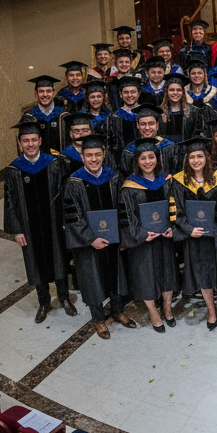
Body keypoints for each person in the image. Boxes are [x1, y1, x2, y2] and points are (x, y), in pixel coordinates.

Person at [61, 135, 134, 339]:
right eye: (89, 155)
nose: (94, 159)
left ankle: (118, 310)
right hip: (89, 243)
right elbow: (72, 216)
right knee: (92, 280)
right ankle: (99, 318)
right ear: (82, 157)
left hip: (113, 240)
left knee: (116, 275)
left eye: (97, 154)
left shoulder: (114, 177)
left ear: (104, 155)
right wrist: (91, 239)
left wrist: (120, 234)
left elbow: (122, 207)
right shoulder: (74, 183)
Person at [5, 121, 75, 322]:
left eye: (33, 140)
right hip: (29, 227)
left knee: (59, 259)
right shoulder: (13, 170)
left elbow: (64, 195)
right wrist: (17, 230)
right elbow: (10, 203)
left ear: (40, 141)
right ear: (19, 143)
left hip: (53, 224)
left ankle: (64, 298)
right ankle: (44, 301)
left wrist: (65, 222)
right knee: (35, 263)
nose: (30, 144)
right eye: (25, 140)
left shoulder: (53, 164)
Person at [169, 139, 217, 331]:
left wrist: (216, 228)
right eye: (192, 157)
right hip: (195, 238)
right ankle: (211, 310)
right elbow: (176, 211)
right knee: (202, 274)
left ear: (206, 157)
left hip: (216, 237)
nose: (196, 160)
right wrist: (189, 230)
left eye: (200, 156)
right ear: (187, 159)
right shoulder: (180, 182)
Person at [118, 141, 177, 331]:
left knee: (168, 272)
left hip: (165, 237)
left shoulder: (167, 180)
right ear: (137, 160)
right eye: (143, 158)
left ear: (157, 158)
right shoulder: (129, 186)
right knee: (145, 275)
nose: (147, 161)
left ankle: (167, 307)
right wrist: (142, 234)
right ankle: (153, 311)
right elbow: (127, 215)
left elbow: (175, 207)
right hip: (143, 240)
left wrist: (172, 228)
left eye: (151, 157)